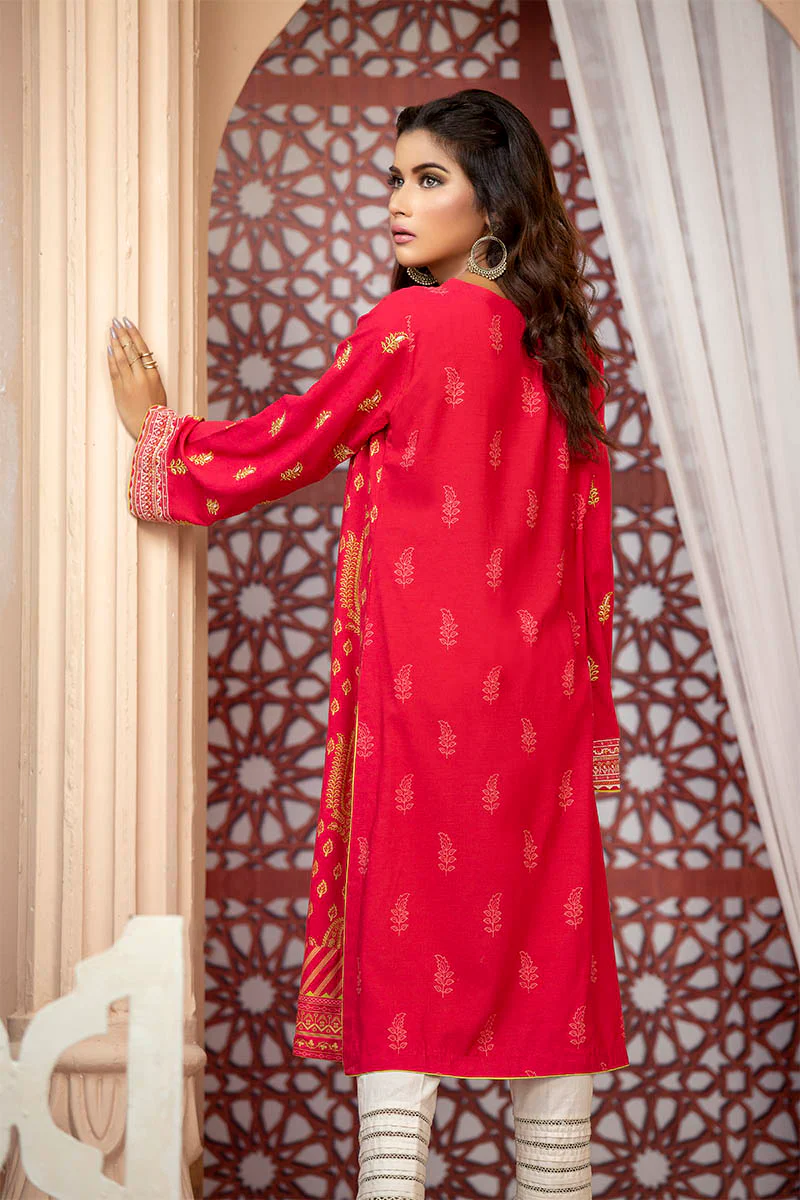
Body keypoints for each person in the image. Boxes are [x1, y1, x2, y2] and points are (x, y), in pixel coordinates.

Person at [108, 87, 627, 1200]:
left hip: (432, 697)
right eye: (395, 178)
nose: (398, 201)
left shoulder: (412, 326)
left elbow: (289, 442)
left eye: (427, 179)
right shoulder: (567, 353)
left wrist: (160, 435)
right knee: (548, 962)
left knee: (408, 948)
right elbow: (593, 561)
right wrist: (595, 722)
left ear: (492, 202)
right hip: (544, 705)